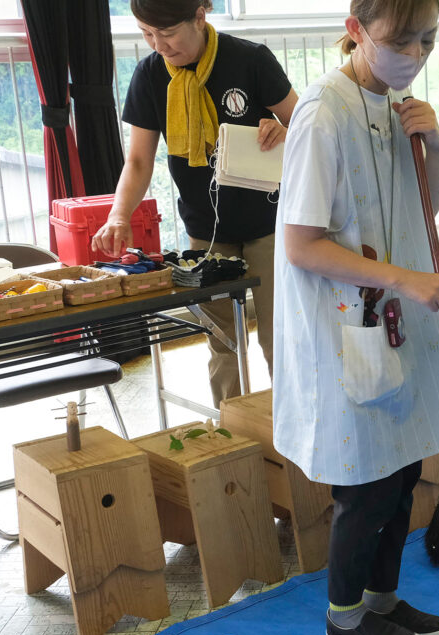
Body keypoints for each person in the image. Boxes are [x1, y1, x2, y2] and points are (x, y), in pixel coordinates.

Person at [272, 0, 439, 635]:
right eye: (400, 39)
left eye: (428, 40)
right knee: (366, 481)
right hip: (345, 326)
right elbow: (301, 245)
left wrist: (433, 147)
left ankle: (383, 599)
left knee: (404, 467)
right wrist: (404, 280)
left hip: (390, 322)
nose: (415, 53)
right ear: (356, 30)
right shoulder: (325, 112)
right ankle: (344, 615)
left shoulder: (394, 103)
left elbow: (423, 206)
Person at [92, 0, 298, 408]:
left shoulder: (249, 59)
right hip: (206, 230)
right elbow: (138, 160)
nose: (159, 45)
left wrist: (283, 129)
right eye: (147, 34)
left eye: (167, 34)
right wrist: (119, 214)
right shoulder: (151, 75)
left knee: (282, 339)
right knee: (222, 342)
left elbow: (306, 123)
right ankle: (235, 435)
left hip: (270, 224)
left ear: (200, 18)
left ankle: (291, 436)